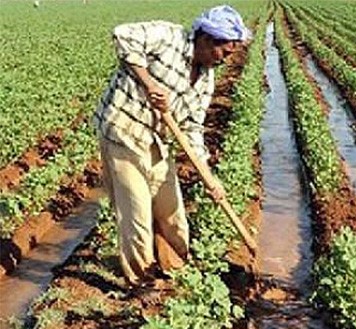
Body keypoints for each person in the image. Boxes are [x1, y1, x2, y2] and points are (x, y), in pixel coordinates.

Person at [93, 5, 251, 286]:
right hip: (123, 132)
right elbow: (122, 35)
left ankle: (176, 269)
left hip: (157, 139)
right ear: (206, 40)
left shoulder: (205, 79)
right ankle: (142, 282)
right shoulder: (169, 37)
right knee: (137, 214)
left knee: (172, 212)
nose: (226, 60)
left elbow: (192, 129)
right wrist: (148, 82)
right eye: (224, 52)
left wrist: (208, 176)